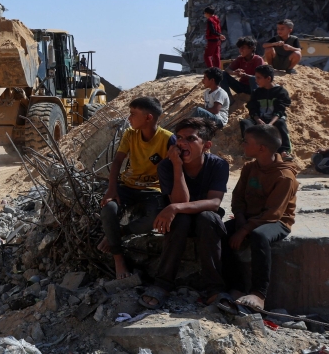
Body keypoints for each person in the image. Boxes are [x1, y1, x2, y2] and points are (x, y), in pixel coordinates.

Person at [139, 117, 230, 309]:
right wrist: (177, 166)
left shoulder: (218, 165)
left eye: (190, 139)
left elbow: (214, 203)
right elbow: (181, 202)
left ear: (206, 145)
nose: (182, 143)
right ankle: (162, 284)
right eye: (179, 138)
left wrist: (174, 208)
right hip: (180, 220)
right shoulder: (166, 166)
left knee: (208, 218)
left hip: (205, 220)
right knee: (180, 221)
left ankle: (215, 288)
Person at [98, 96, 175, 279]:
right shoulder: (130, 134)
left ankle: (117, 233)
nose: (129, 118)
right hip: (128, 185)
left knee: (154, 219)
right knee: (109, 208)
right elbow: (117, 161)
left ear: (148, 118)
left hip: (153, 189)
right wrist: (112, 189)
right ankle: (118, 259)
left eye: (133, 114)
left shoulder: (167, 139)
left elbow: (174, 170)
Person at [226, 123, 298, 311]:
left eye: (246, 142)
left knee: (259, 236)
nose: (242, 144)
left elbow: (273, 213)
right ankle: (236, 287)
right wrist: (240, 218)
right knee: (218, 230)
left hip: (276, 221)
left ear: (261, 148)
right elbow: (238, 197)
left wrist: (244, 229)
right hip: (248, 219)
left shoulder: (284, 176)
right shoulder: (250, 168)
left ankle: (259, 293)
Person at [240, 64, 292, 155]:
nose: (256, 80)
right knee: (245, 123)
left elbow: (280, 111)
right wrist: (258, 120)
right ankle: (249, 149)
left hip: (274, 120)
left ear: (268, 78)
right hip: (260, 120)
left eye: (259, 78)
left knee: (281, 123)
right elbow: (252, 108)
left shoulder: (280, 92)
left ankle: (284, 150)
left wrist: (270, 125)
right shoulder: (256, 92)